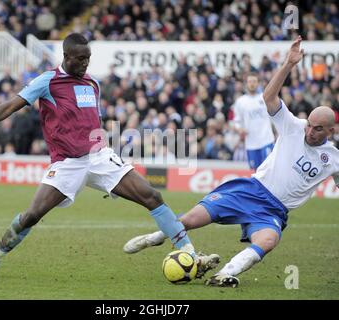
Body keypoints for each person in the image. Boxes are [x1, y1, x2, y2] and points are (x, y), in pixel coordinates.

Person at [0, 33, 219, 278]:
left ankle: (190, 254)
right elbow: (10, 105)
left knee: (152, 195)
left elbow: (92, 120)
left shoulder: (92, 83)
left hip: (99, 157)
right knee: (32, 215)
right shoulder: (47, 81)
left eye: (88, 58)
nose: (85, 63)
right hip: (67, 164)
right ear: (66, 56)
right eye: (80, 59)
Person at [123, 36, 339, 287]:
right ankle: (156, 237)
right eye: (310, 125)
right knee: (191, 220)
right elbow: (269, 98)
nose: (310, 132)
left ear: (331, 132)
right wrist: (288, 64)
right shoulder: (294, 127)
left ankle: (224, 273)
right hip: (251, 190)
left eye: (317, 129)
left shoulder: (334, 159)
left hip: (274, 210)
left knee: (269, 241)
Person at [233, 73, 275, 170]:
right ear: (246, 84)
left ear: (258, 83)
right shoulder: (240, 101)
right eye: (250, 81)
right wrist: (239, 129)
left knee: (268, 169)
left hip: (266, 140)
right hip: (251, 143)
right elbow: (236, 121)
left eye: (254, 81)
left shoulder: (264, 98)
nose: (252, 84)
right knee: (255, 172)